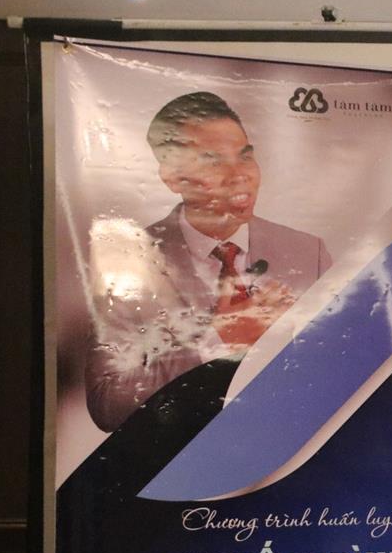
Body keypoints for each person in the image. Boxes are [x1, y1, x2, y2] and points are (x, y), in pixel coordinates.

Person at [84, 91, 331, 431]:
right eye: (214, 162)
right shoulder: (130, 261)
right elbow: (107, 403)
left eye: (245, 157)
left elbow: (342, 368)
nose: (239, 175)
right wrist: (219, 339)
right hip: (184, 458)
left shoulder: (307, 252)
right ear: (172, 177)